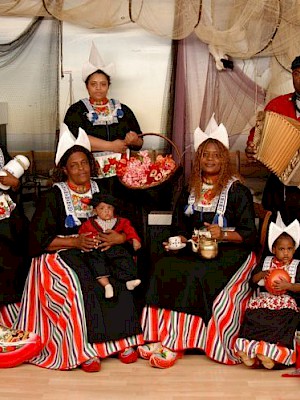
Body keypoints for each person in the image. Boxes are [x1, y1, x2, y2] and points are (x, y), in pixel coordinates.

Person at [9, 124, 143, 372]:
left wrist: (118, 239)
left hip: (100, 249)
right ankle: (88, 349)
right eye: (74, 165)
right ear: (64, 169)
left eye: (84, 163)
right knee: (85, 281)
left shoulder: (102, 191)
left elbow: (126, 223)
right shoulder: (53, 197)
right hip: (60, 252)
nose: (81, 169)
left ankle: (123, 341)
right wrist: (75, 242)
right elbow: (38, 239)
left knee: (120, 275)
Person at [138, 127, 257, 368]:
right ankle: (157, 336)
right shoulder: (189, 189)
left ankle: (177, 342)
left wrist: (222, 233)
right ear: (198, 158)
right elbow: (180, 227)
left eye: (216, 155)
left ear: (224, 159)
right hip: (196, 248)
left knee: (195, 274)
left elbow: (249, 234)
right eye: (205, 154)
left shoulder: (237, 190)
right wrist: (180, 240)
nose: (210, 159)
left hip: (231, 252)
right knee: (164, 265)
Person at [235, 214, 300, 370]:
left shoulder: (297, 265)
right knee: (254, 317)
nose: (286, 253)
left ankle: (273, 354)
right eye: (282, 249)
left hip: (285, 301)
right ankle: (250, 351)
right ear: (273, 249)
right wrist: (264, 274)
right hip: (264, 299)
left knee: (283, 321)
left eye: (289, 249)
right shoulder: (265, 262)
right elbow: (253, 280)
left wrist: (288, 286)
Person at [245, 56, 300, 230]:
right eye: (298, 74)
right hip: (279, 186)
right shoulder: (276, 105)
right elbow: (255, 141)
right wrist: (251, 150)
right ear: (292, 76)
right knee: (274, 233)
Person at [78, 192, 141, 299]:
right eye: (102, 208)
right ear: (95, 211)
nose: (106, 211)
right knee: (95, 262)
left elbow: (129, 230)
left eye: (109, 208)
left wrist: (135, 239)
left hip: (115, 249)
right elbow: (82, 235)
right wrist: (90, 241)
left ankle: (128, 280)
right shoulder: (89, 223)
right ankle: (107, 285)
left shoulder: (121, 221)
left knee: (124, 258)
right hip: (97, 249)